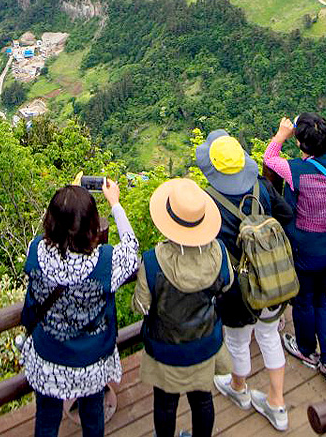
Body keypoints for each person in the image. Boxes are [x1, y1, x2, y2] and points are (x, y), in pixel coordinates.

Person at [21, 179, 138, 437]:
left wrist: (68, 202)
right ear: (92, 225)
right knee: (93, 414)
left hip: (48, 357)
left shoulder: (36, 252)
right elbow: (132, 249)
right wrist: (115, 203)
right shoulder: (106, 263)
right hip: (91, 363)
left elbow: (51, 236)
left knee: (47, 420)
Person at [195, 130, 292, 433]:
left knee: (238, 341)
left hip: (235, 287)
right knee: (268, 336)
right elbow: (286, 215)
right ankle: (277, 404)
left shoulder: (208, 200)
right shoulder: (262, 187)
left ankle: (239, 388)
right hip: (271, 278)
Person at [133, 177, 231, 437]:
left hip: (166, 349)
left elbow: (141, 306)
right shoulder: (218, 252)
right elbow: (227, 285)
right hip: (205, 343)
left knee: (165, 403)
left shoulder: (153, 262)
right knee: (202, 399)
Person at [264, 114, 326, 383]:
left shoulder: (295, 170)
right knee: (321, 299)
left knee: (303, 300)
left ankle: (306, 350)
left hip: (306, 250)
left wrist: (281, 134)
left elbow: (269, 158)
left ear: (301, 144)